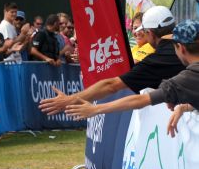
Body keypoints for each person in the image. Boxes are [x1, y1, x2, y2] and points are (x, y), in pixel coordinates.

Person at [39, 6, 184, 115]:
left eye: (144, 31)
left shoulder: (158, 60)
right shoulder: (189, 44)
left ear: (150, 33)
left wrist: (71, 100)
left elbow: (112, 85)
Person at [65, 20, 199, 133]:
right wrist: (185, 107)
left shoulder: (187, 78)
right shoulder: (187, 78)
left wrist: (96, 109)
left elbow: (141, 100)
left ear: (180, 48)